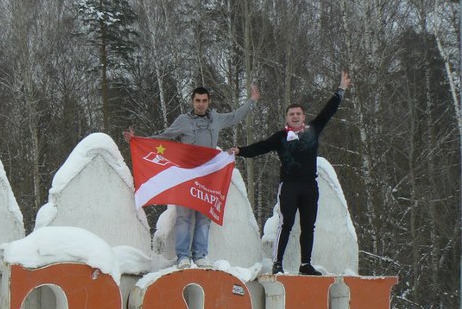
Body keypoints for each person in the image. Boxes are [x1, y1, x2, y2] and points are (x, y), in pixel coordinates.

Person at [228, 71, 352, 276]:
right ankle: (277, 263)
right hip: (289, 186)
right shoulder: (281, 137)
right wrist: (240, 150)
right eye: (291, 114)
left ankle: (305, 264)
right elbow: (261, 147)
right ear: (287, 118)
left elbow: (328, 112)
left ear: (303, 117)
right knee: (285, 224)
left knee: (308, 226)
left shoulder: (313, 130)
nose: (295, 116)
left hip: (310, 186)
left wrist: (341, 90)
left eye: (298, 114)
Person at [124, 84, 260, 269]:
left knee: (204, 216)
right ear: (192, 101)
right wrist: (137, 140)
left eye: (204, 101)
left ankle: (200, 255)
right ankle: (183, 257)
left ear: (209, 102)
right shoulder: (183, 120)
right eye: (197, 100)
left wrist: (252, 101)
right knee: (184, 217)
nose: (201, 104)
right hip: (186, 176)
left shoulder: (216, 119)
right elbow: (165, 136)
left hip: (208, 176)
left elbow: (235, 116)